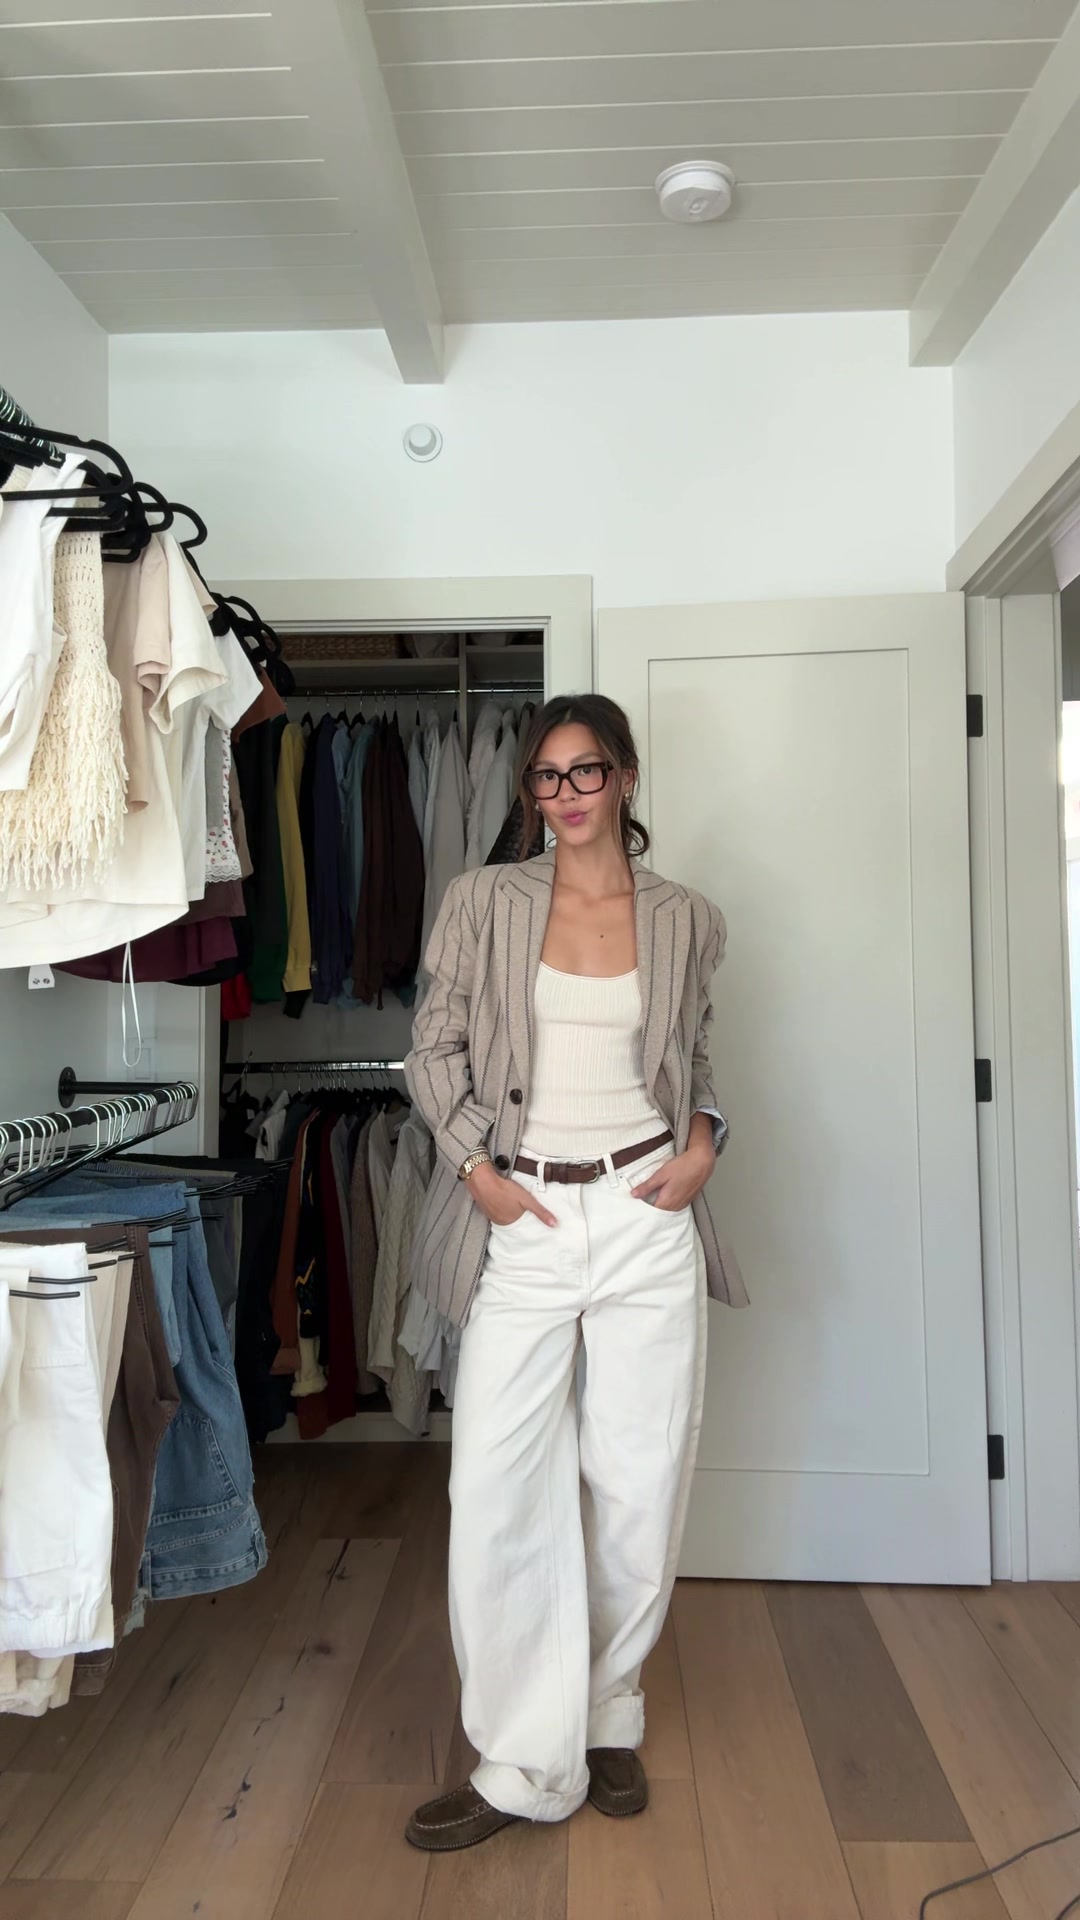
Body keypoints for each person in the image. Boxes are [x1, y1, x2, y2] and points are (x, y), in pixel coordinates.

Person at [403, 693, 747, 1852]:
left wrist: (705, 1141)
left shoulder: (686, 916)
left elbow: (696, 1054)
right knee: (496, 1486)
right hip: (529, 1213)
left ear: (626, 777)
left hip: (648, 1211)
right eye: (546, 777)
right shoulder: (483, 900)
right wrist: (475, 1170)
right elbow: (431, 1048)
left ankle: (605, 1715)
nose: (565, 794)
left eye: (585, 771)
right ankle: (518, 1760)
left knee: (639, 1479)